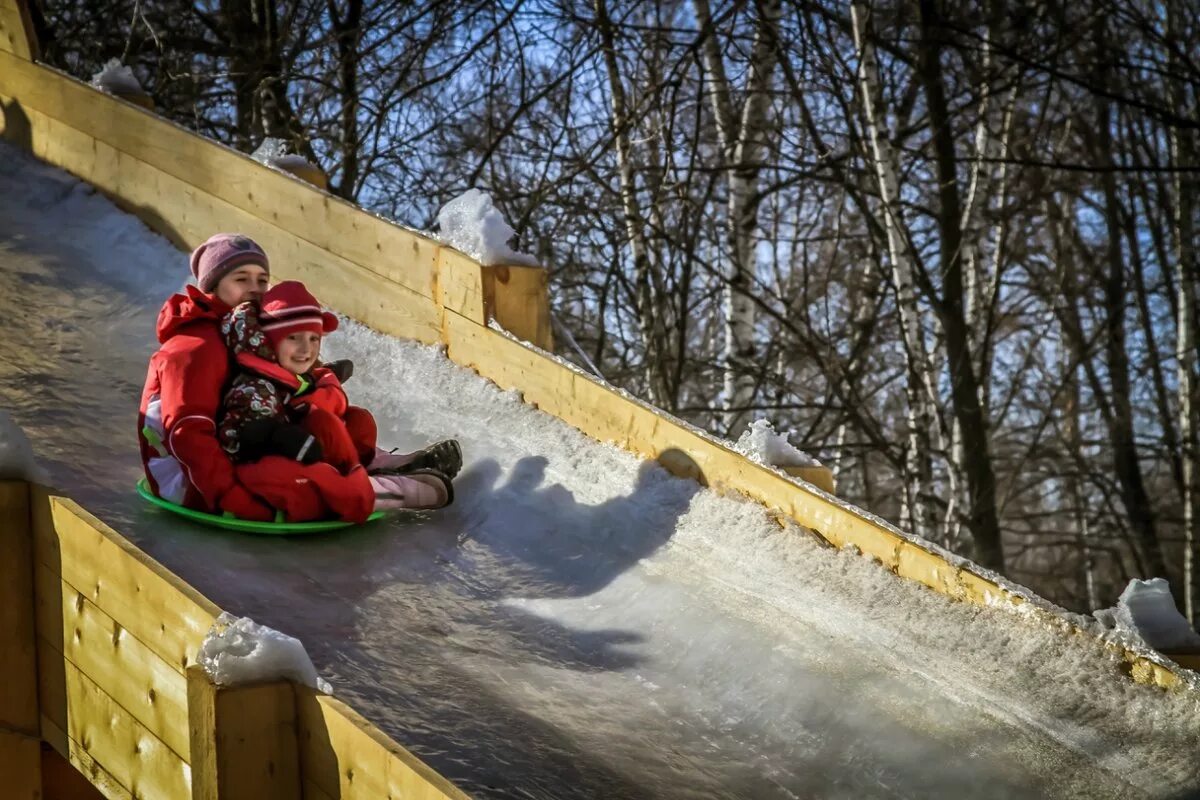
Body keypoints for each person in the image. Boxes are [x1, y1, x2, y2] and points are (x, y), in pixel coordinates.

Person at [138, 232, 459, 524]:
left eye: (262, 280)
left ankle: (379, 463)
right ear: (212, 285)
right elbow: (188, 435)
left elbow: (276, 378)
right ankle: (388, 489)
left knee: (334, 417)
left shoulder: (245, 330)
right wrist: (233, 500)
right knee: (296, 484)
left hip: (243, 445)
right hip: (190, 481)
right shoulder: (194, 348)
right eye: (241, 278)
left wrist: (320, 381)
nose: (255, 289)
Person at [216, 280, 456, 511]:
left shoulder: (288, 371)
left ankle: (380, 465)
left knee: (358, 420)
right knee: (323, 434)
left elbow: (296, 390)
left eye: (313, 338)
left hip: (311, 448)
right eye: (293, 338)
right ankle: (387, 488)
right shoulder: (254, 386)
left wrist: (326, 375)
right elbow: (244, 435)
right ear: (271, 342)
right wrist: (276, 436)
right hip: (276, 460)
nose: (306, 349)